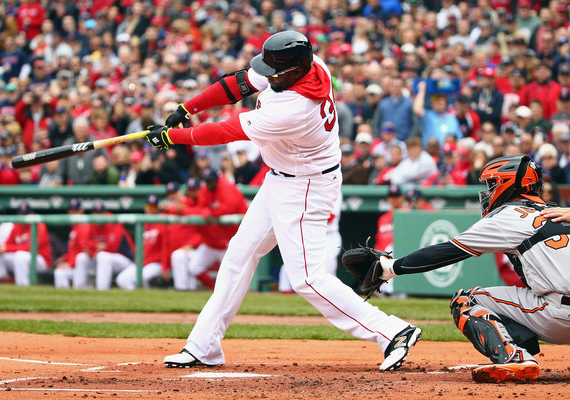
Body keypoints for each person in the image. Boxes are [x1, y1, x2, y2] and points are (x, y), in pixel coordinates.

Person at [146, 31, 421, 371]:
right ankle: (204, 347)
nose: (269, 76)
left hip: (305, 186)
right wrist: (188, 107)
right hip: (281, 178)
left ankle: (393, 330)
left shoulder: (295, 108)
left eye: (276, 72)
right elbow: (238, 84)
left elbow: (226, 131)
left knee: (306, 279)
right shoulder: (307, 65)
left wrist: (173, 137)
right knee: (239, 255)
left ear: (295, 70)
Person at [348, 155, 570, 383]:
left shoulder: (509, 216)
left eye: (492, 184)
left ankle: (515, 357)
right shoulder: (562, 213)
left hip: (559, 315)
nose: (489, 191)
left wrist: (391, 267)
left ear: (508, 184)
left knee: (467, 300)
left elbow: (448, 250)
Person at [0, 202, 52, 286]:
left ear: (32, 214)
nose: (23, 216)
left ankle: (23, 286)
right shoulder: (17, 226)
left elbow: (31, 247)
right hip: (23, 257)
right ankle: (1, 284)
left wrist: (7, 248)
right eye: (21, 213)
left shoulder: (39, 226)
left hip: (40, 260)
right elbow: (7, 244)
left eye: (26, 213)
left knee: (20, 256)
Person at [116, 195, 170, 290]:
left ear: (157, 208)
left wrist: (165, 267)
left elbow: (166, 247)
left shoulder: (162, 222)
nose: (150, 209)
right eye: (148, 206)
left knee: (142, 278)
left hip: (156, 263)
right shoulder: (143, 223)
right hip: (142, 262)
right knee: (121, 280)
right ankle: (139, 297)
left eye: (153, 206)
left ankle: (146, 297)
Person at [53, 198, 94, 289]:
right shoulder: (75, 226)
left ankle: (78, 288)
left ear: (81, 211)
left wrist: (69, 264)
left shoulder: (84, 226)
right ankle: (64, 299)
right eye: (70, 210)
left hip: (88, 266)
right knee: (59, 273)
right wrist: (65, 258)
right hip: (77, 265)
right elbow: (75, 250)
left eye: (75, 210)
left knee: (81, 257)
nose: (72, 212)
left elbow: (84, 251)